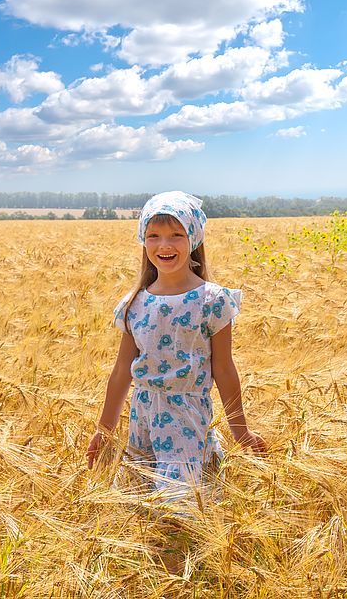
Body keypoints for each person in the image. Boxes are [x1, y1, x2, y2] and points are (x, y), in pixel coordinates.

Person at [86, 190, 267, 506]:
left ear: (194, 238)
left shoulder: (212, 301)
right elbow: (120, 373)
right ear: (143, 240)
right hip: (142, 419)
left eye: (175, 235)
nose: (164, 245)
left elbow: (224, 369)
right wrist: (105, 430)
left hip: (186, 419)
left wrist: (241, 432)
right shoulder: (135, 304)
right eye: (153, 235)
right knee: (139, 507)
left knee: (179, 506)